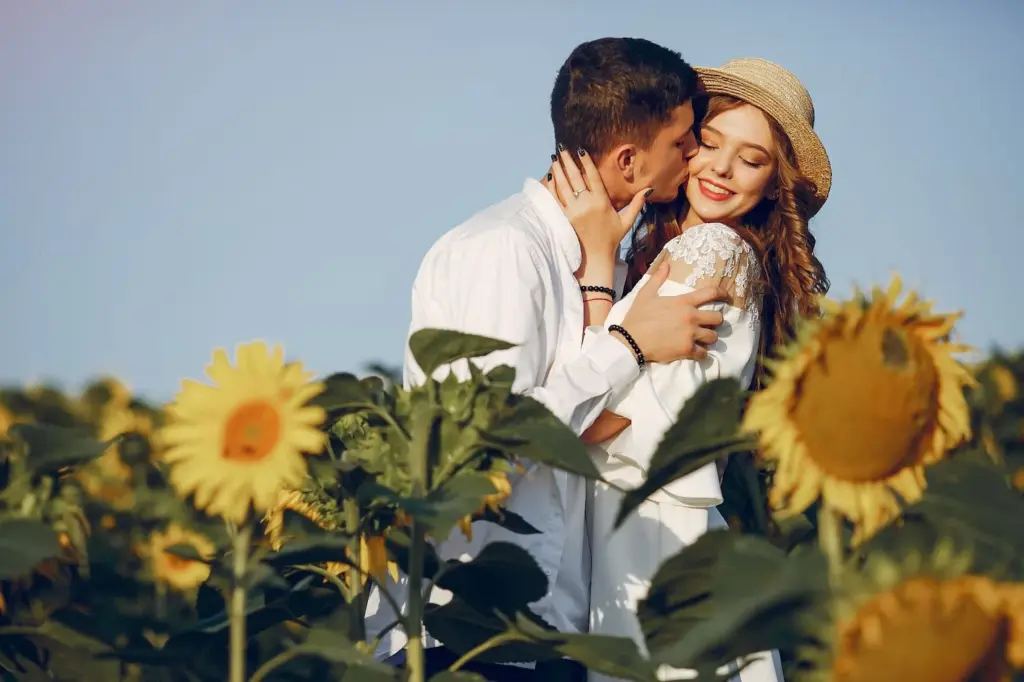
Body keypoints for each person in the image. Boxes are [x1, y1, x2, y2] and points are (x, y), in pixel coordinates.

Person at [363, 38, 732, 682]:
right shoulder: (503, 252)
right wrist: (629, 347)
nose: (695, 156)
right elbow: (487, 443)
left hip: (552, 637)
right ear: (627, 160)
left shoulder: (606, 262)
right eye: (681, 142)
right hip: (470, 633)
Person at [543, 58, 831, 681]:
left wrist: (596, 262)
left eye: (752, 159)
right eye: (710, 142)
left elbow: (604, 419)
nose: (723, 169)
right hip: (657, 533)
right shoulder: (679, 255)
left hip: (657, 538)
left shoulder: (710, 250)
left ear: (773, 184)